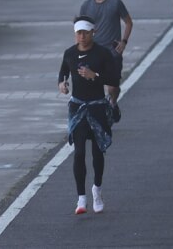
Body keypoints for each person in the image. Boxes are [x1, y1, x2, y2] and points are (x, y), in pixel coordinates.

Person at [58, 16, 115, 215]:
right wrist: (62, 84)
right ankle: (81, 198)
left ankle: (96, 190)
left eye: (85, 32)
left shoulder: (102, 54)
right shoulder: (70, 53)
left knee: (98, 153)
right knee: (79, 151)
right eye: (78, 33)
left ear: (93, 32)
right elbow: (63, 72)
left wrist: (96, 77)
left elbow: (113, 79)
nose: (82, 37)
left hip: (97, 108)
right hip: (77, 109)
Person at [79, 0, 133, 120]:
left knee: (112, 86)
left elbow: (128, 22)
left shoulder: (115, 3)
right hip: (93, 51)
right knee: (92, 84)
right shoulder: (86, 6)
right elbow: (81, 29)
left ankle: (113, 103)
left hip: (112, 51)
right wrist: (79, 49)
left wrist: (124, 41)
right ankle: (97, 112)